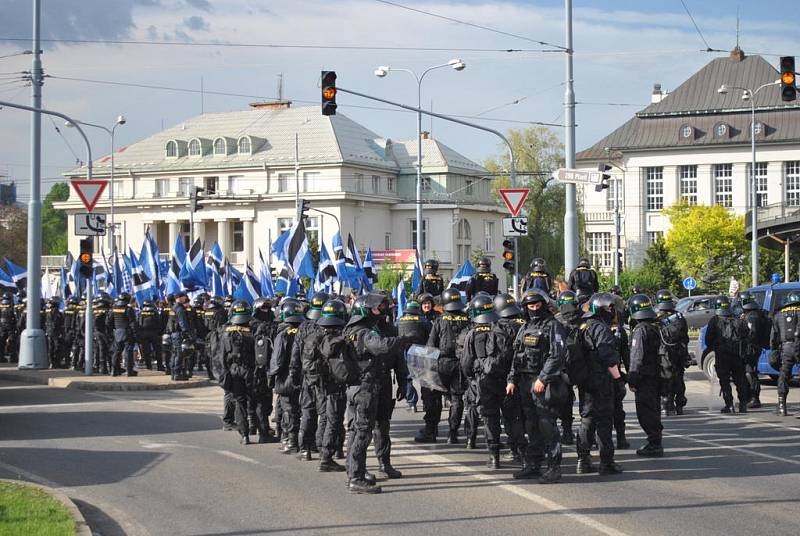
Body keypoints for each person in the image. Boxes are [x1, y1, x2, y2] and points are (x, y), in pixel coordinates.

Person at [343, 292, 410, 494]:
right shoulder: (363, 332)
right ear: (364, 310)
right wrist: (404, 339)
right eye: (376, 308)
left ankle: (358, 471)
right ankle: (355, 477)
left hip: (365, 385)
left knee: (361, 430)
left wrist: (401, 379)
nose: (381, 311)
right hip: (365, 387)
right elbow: (381, 346)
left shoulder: (354, 329)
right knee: (362, 432)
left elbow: (394, 357)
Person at [508, 289, 568, 483]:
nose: (534, 309)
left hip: (544, 383)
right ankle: (533, 464)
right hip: (525, 382)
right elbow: (516, 356)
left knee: (546, 425)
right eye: (530, 306)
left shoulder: (553, 326)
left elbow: (557, 355)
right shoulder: (524, 328)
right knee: (531, 425)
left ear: (544, 305)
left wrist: (543, 378)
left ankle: (554, 467)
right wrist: (511, 380)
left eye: (537, 305)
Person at [462, 295, 515, 470]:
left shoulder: (473, 333)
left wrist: (472, 380)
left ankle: (494, 457)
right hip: (506, 380)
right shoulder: (502, 328)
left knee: (490, 418)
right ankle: (516, 450)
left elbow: (466, 362)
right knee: (511, 417)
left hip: (484, 381)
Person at [575, 293, 624, 475]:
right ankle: (606, 462)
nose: (612, 310)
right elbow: (608, 358)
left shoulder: (582, 325)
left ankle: (583, 460)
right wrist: (618, 379)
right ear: (599, 308)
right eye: (609, 307)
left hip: (585, 381)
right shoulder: (601, 329)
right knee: (604, 420)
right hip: (601, 380)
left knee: (587, 419)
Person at [415, 288, 470, 444]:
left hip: (441, 363)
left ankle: (431, 431)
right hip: (460, 364)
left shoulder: (440, 320)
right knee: (456, 399)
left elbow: (430, 345)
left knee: (434, 397)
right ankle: (452, 434)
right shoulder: (467, 319)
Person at [291, 291, 332, 460]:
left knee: (307, 411)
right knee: (324, 413)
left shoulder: (303, 327)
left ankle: (304, 449)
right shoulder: (329, 326)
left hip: (306, 375)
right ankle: (322, 448)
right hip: (323, 376)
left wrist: (294, 372)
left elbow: (295, 353)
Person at [489, 293, 526, 459]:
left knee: (510, 416)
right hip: (525, 375)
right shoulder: (525, 324)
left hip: (505, 378)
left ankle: (514, 449)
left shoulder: (498, 328)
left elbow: (498, 356)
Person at [627, 294, 664, 457]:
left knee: (646, 412)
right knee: (653, 409)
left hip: (645, 378)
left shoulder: (640, 330)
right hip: (656, 375)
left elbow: (637, 357)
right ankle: (656, 440)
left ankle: (654, 443)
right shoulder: (654, 327)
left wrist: (632, 379)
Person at [315, 299, 350, 472]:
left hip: (320, 383)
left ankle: (328, 451)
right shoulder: (336, 337)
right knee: (333, 420)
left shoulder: (315, 332)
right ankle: (326, 456)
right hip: (333, 384)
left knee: (327, 418)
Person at [269, 299, 305, 454]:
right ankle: (301, 441)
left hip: (286, 376)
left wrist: (272, 376)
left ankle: (291, 441)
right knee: (301, 409)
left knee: (288, 409)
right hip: (304, 376)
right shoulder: (306, 331)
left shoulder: (282, 333)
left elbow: (276, 359)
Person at [703, 296, 748, 413]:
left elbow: (708, 339)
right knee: (740, 380)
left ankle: (729, 405)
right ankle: (743, 405)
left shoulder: (715, 321)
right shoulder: (738, 320)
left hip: (722, 355)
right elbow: (746, 336)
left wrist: (714, 346)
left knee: (724, 380)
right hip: (737, 355)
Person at [219, 300, 256, 445]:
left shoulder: (225, 334)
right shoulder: (253, 332)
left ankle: (244, 435)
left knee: (239, 403)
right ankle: (259, 429)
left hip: (233, 372)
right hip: (250, 371)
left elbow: (221, 357)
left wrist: (225, 373)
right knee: (254, 401)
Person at [554, 290, 582, 446]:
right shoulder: (583, 320)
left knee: (564, 401)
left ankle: (566, 432)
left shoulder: (556, 321)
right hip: (582, 366)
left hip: (562, 367)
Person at [655, 290, 690, 416]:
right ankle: (679, 405)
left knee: (665, 378)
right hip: (679, 352)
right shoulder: (679, 317)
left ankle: (666, 405)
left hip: (664, 354)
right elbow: (685, 336)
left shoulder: (657, 319)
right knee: (679, 378)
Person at [770, 291, 800, 416]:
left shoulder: (778, 315)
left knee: (783, 376)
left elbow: (773, 337)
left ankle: (782, 407)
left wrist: (775, 350)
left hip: (786, 348)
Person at [739, 291, 770, 409]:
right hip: (750, 347)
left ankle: (754, 398)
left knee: (749, 372)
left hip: (751, 348)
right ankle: (748, 397)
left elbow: (752, 334)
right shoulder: (753, 313)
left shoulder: (752, 316)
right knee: (747, 371)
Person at [397, 300, 428, 412]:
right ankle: (426, 402)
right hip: (420, 351)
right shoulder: (423, 320)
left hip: (404, 351)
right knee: (424, 378)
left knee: (407, 378)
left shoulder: (399, 321)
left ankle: (411, 403)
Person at [167, 292, 195, 381]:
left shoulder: (173, 308)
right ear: (179, 298)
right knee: (179, 354)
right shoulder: (179, 309)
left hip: (173, 333)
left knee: (174, 353)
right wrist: (186, 333)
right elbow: (183, 323)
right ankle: (177, 373)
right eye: (184, 297)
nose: (185, 298)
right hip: (179, 333)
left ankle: (173, 373)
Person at [111, 292, 138, 377]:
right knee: (128, 351)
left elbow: (109, 321)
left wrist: (115, 328)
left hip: (117, 332)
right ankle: (129, 371)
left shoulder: (114, 308)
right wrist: (135, 333)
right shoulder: (128, 309)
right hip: (127, 332)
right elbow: (132, 323)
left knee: (117, 352)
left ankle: (114, 370)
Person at [138, 299, 163, 371]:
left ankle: (149, 366)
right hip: (154, 333)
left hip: (144, 333)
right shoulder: (155, 312)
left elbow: (139, 323)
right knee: (157, 350)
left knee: (146, 351)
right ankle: (159, 366)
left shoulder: (141, 312)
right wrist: (159, 333)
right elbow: (159, 322)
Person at [93, 294, 113, 375]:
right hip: (106, 332)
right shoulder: (107, 310)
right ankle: (112, 368)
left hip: (97, 332)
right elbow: (109, 322)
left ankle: (102, 368)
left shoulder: (94, 310)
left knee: (100, 350)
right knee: (110, 350)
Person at [44, 297, 64, 369]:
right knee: (56, 347)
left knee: (51, 348)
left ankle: (52, 363)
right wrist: (60, 333)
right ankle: (55, 362)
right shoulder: (55, 312)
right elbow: (56, 323)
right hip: (55, 332)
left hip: (50, 332)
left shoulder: (48, 311)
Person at [0, 293, 17, 362]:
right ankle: (12, 357)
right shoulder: (12, 306)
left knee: (1, 342)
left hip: (2, 326)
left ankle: (1, 357)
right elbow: (15, 317)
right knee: (11, 341)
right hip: (10, 326)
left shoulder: (1, 306)